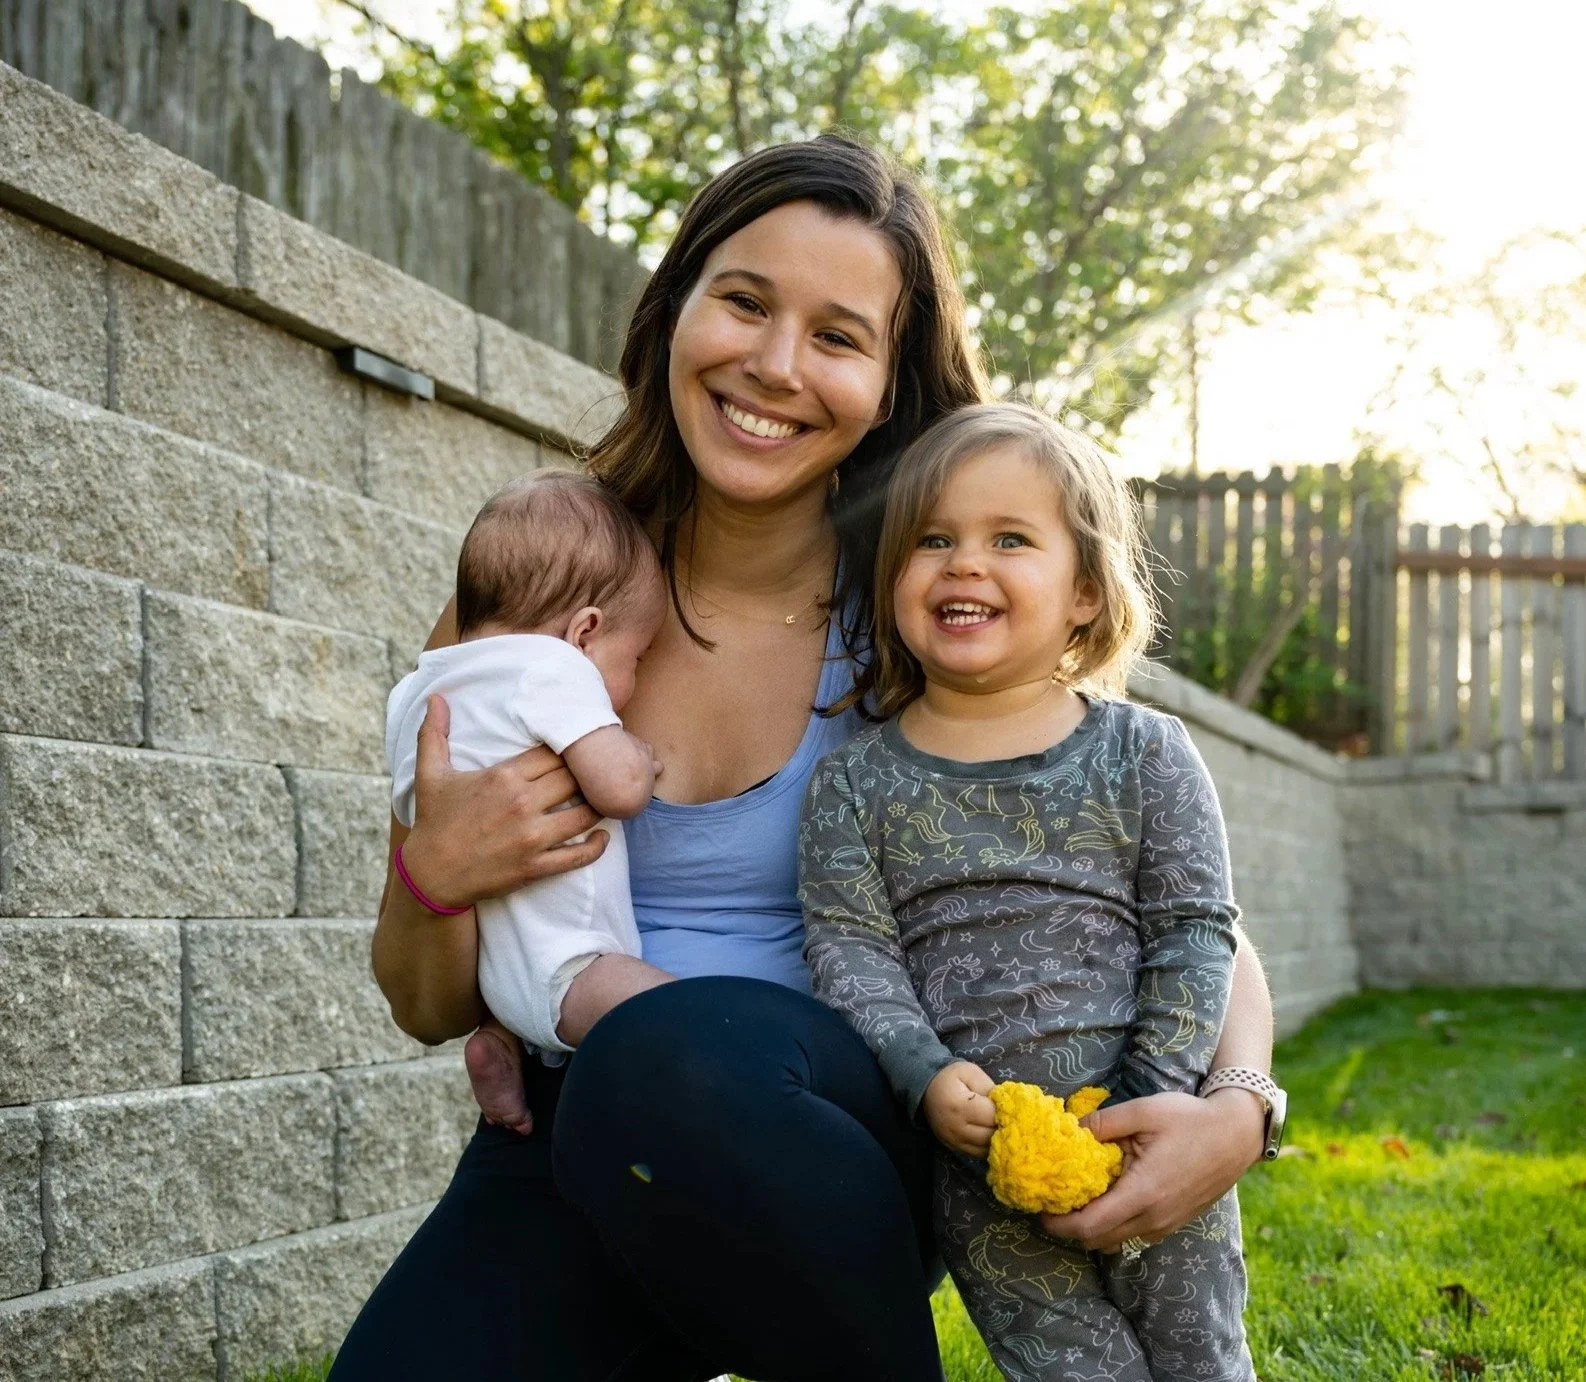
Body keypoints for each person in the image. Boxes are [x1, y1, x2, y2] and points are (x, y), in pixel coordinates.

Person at [330, 134, 1276, 1382]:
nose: (774, 365)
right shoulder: (538, 601)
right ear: (672, 309)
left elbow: (1171, 887)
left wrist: (1239, 1108)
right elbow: (424, 999)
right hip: (581, 1136)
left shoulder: (930, 605)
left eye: (837, 335)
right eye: (743, 301)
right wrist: (436, 871)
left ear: (888, 383)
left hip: (852, 1127)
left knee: (665, 1053)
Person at [800, 402, 1254, 1381]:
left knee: (1199, 1359)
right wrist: (922, 1074)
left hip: (1152, 1136)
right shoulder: (853, 783)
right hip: (984, 1167)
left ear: (1085, 591)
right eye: (933, 538)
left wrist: (1147, 1096)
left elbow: (1194, 929)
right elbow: (849, 948)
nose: (963, 561)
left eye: (1008, 537)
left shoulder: (1143, 753)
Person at [384, 471, 672, 1134]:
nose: (636, 677)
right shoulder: (551, 668)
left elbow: (416, 809)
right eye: (638, 655)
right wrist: (640, 757)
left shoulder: (420, 691)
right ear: (585, 632)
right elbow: (619, 789)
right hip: (573, 962)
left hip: (491, 970)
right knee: (681, 1018)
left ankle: (501, 1043)